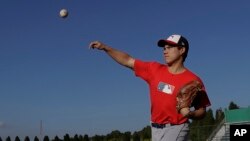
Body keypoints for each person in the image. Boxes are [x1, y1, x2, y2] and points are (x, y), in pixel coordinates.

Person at [89, 34, 211, 141]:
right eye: (164, 48)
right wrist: (105, 48)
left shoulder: (193, 80)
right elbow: (128, 60)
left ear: (182, 50)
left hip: (176, 127)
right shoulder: (154, 69)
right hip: (155, 128)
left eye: (170, 47)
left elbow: (202, 110)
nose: (165, 51)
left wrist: (191, 114)